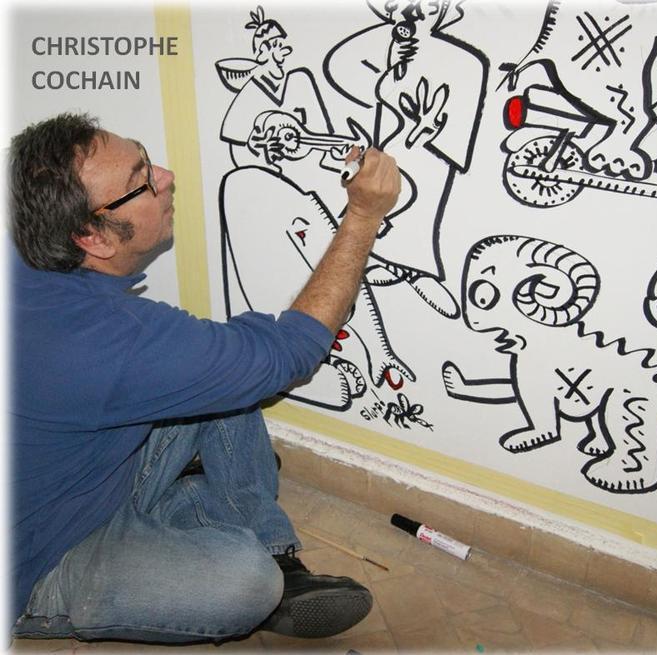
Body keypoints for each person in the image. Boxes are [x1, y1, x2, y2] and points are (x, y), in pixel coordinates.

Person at [8, 112, 401, 643]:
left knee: (222, 373)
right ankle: (193, 520)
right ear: (91, 237)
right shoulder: (108, 341)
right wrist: (362, 216)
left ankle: (255, 534)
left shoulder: (28, 262)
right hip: (41, 556)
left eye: (146, 158)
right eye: (142, 181)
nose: (166, 177)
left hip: (77, 470)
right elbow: (290, 353)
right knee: (245, 584)